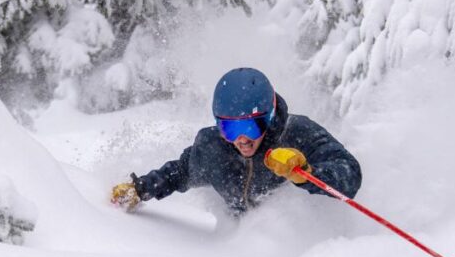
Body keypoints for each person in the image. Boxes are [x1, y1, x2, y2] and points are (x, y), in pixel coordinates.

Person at [111, 67, 362, 214]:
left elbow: (349, 173)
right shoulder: (214, 148)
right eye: (229, 128)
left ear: (270, 116)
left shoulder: (297, 134)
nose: (241, 139)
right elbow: (180, 171)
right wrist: (140, 189)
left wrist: (305, 172)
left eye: (251, 127)